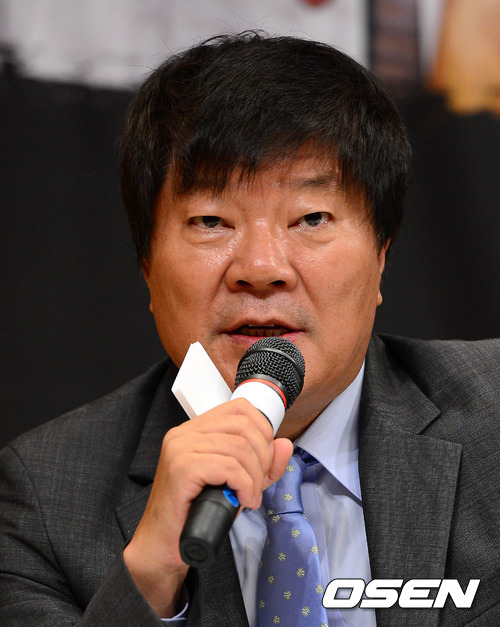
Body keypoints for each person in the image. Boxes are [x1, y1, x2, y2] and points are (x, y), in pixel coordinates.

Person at [0, 32, 498, 627]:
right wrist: (150, 577)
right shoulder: (42, 500)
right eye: (211, 221)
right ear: (146, 267)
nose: (261, 269)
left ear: (381, 256)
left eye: (311, 218)